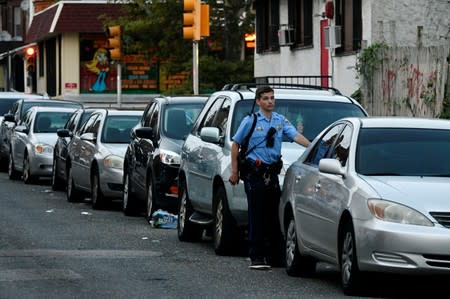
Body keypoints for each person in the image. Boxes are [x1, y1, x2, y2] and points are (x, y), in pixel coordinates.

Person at [228, 86, 310, 270]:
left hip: (272, 174)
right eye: (265, 98)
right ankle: (256, 255)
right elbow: (236, 145)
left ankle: (275, 256)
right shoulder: (250, 121)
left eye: (272, 98)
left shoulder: (280, 121)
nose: (270, 101)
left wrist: (312, 147)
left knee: (273, 215)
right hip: (254, 173)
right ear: (258, 101)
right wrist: (234, 171)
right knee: (256, 215)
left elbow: (296, 136)